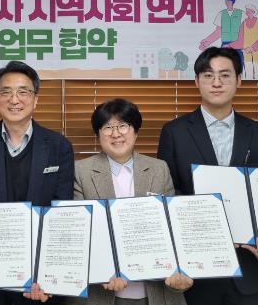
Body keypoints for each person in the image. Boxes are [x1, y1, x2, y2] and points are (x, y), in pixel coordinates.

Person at [157, 47, 258, 305]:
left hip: (252, 267)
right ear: (196, 81)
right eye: (208, 75)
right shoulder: (174, 132)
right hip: (198, 268)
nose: (216, 83)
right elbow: (169, 195)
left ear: (239, 80)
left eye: (225, 75)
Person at [0, 60, 75, 304]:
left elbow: (61, 212)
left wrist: (52, 275)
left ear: (36, 99)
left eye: (23, 92)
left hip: (40, 279)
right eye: (6, 92)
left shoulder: (58, 145)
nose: (14, 99)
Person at [69, 98, 191, 305]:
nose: (116, 134)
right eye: (108, 127)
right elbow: (77, 233)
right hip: (103, 293)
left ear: (135, 130)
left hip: (157, 290)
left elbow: (173, 227)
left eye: (123, 125)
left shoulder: (159, 168)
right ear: (98, 134)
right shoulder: (81, 171)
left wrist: (183, 269)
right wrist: (101, 271)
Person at [226, 4, 258, 79]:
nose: (248, 12)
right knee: (248, 77)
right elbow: (240, 41)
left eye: (250, 11)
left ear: (253, 12)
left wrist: (252, 48)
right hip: (247, 56)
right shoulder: (243, 23)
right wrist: (229, 45)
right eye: (247, 11)